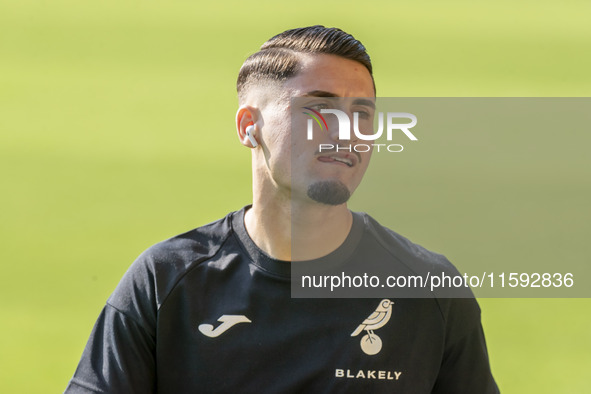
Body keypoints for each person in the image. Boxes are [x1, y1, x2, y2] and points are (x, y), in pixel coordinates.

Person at [65, 26, 499, 393]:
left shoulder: (428, 292)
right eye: (320, 108)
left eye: (362, 113)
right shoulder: (166, 281)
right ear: (248, 126)